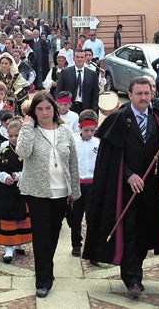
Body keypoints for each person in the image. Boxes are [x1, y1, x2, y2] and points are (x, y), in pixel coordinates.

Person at [83, 76, 159, 299]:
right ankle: (132, 278)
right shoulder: (120, 119)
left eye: (147, 93)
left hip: (151, 191)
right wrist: (128, 175)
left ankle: (135, 269)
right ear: (129, 95)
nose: (144, 98)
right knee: (129, 233)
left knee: (145, 233)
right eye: (139, 94)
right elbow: (111, 158)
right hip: (124, 190)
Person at [16, 91, 80, 298]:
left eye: (48, 108)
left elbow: (73, 162)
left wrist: (75, 191)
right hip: (37, 192)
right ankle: (43, 280)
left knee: (52, 236)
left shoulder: (64, 130)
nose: (44, 113)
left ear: (55, 109)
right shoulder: (31, 130)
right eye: (40, 109)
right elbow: (23, 152)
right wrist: (26, 125)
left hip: (60, 192)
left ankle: (46, 270)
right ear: (33, 111)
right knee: (41, 237)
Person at [0, 118, 33, 263]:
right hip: (8, 192)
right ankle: (8, 247)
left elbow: (33, 169)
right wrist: (4, 177)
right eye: (11, 136)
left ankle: (19, 242)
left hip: (23, 190)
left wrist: (20, 176)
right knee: (9, 218)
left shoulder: (28, 151)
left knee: (21, 218)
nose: (13, 139)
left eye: (17, 135)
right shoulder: (5, 151)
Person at [70, 110, 99, 258]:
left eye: (92, 130)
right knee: (76, 217)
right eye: (86, 130)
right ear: (80, 128)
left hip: (92, 184)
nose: (89, 133)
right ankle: (76, 244)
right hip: (78, 184)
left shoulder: (98, 143)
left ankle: (91, 243)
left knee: (91, 216)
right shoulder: (74, 143)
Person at [55, 49, 99, 114]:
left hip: (86, 108)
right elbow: (59, 91)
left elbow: (95, 94)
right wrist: (60, 107)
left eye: (81, 57)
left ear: (84, 59)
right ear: (73, 58)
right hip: (69, 107)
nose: (79, 59)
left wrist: (93, 110)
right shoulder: (65, 72)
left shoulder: (92, 74)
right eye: (77, 57)